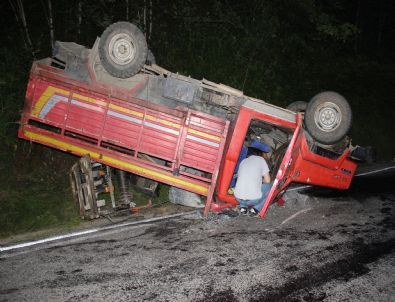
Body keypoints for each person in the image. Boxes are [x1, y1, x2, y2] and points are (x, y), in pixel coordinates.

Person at [233, 147, 272, 216]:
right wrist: (260, 180)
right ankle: (255, 209)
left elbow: (240, 178)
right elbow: (267, 180)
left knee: (244, 183)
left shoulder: (243, 161)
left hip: (238, 198)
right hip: (253, 200)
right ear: (258, 154)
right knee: (270, 186)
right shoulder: (261, 159)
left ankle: (243, 208)